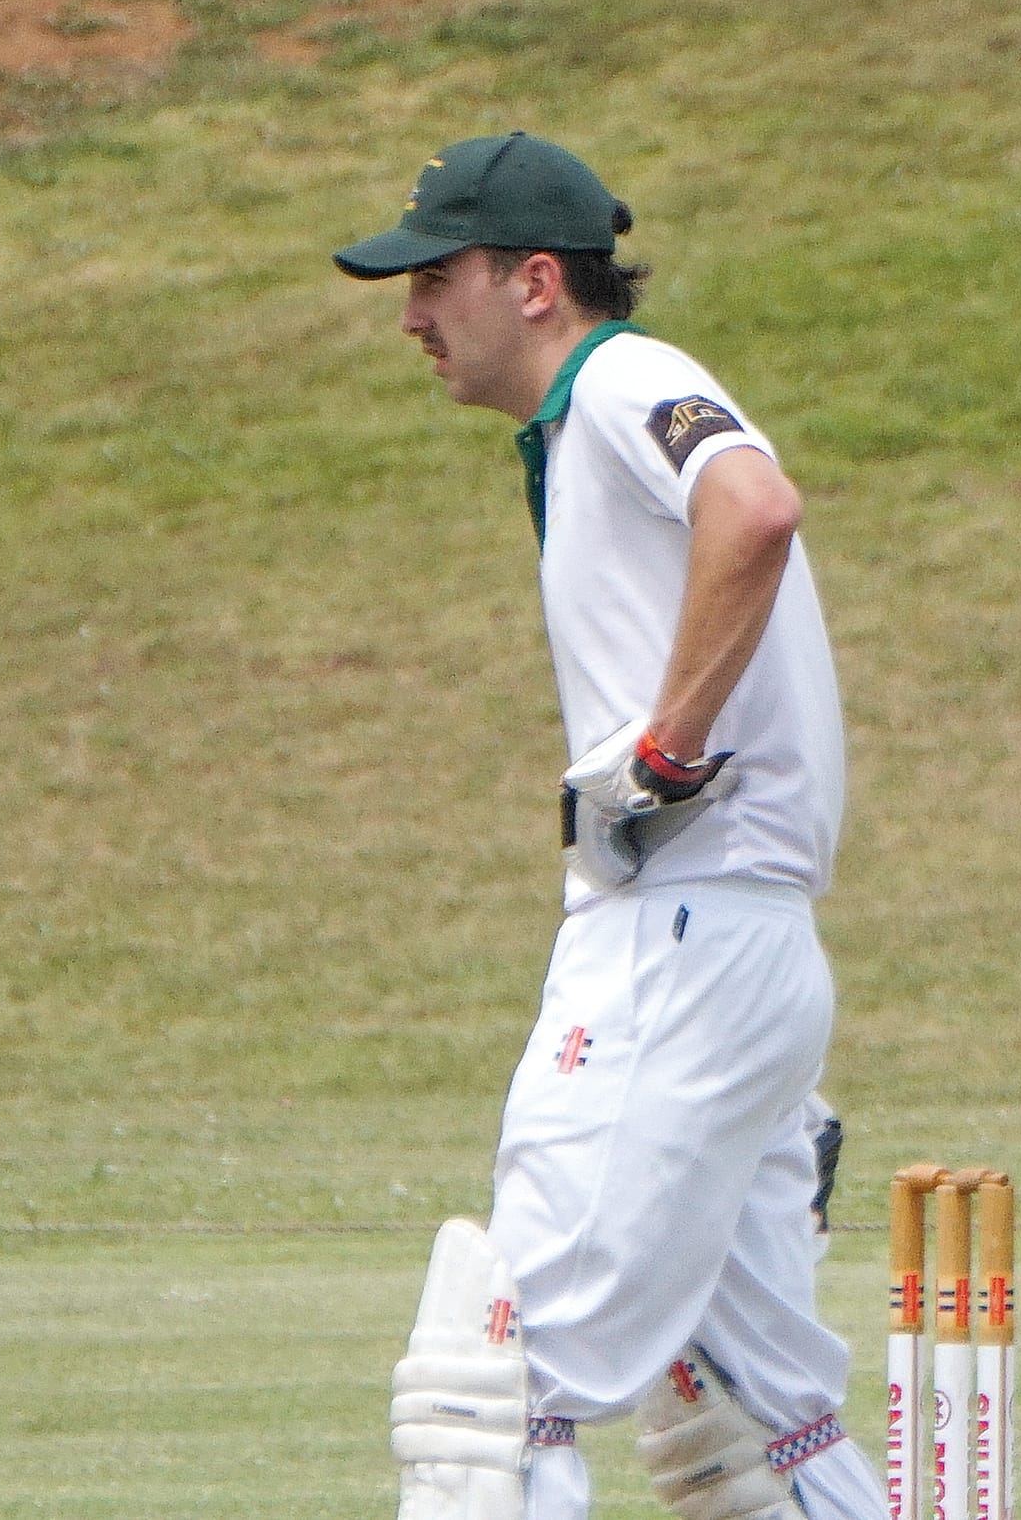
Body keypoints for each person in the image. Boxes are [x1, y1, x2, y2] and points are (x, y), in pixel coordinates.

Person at [333, 132, 883, 1520]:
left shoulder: (625, 373)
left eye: (434, 279)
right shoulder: (586, 415)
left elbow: (752, 507)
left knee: (497, 1388)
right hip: (739, 949)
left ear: (531, 283)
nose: (411, 315)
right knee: (768, 1430)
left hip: (675, 938)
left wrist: (664, 744)